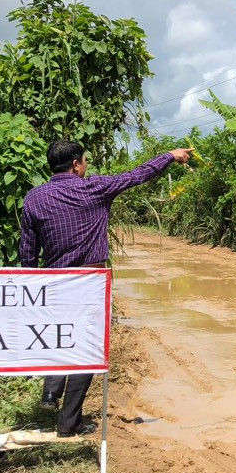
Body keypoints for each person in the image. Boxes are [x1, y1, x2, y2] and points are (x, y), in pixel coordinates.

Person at [19, 139, 192, 436]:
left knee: (57, 334)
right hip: (89, 283)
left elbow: (27, 253)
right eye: (84, 160)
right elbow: (138, 174)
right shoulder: (94, 188)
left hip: (52, 283)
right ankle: (68, 422)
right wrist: (170, 156)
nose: (86, 165)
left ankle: (50, 392)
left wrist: (32, 287)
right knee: (86, 349)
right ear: (76, 164)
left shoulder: (34, 198)